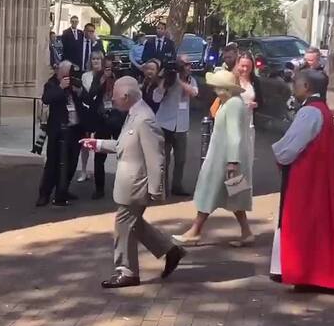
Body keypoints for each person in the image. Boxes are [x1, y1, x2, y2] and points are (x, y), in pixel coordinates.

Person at [80, 76, 185, 288]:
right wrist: (98, 144)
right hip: (129, 182)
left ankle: (127, 271)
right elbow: (123, 144)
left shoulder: (144, 118)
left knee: (123, 226)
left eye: (116, 96)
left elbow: (156, 157)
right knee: (134, 225)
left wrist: (156, 189)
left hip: (137, 184)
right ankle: (170, 249)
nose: (113, 100)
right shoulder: (134, 114)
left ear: (126, 96)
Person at [270, 70, 334, 293]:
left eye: (296, 83)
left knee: (299, 225)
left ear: (306, 86)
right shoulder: (323, 110)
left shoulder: (309, 113)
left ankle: (303, 271)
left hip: (304, 178)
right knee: (317, 225)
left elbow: (289, 147)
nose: (294, 87)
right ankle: (314, 272)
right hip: (318, 176)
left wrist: (277, 153)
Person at [172, 70, 254, 246]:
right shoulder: (229, 103)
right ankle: (245, 231)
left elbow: (235, 134)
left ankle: (195, 230)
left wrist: (233, 161)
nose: (215, 90)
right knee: (234, 195)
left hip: (226, 159)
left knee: (211, 193)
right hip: (224, 157)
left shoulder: (232, 104)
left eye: (217, 87)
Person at [36, 61, 86, 207]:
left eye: (68, 74)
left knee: (71, 163)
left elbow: (85, 97)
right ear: (59, 72)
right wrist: (60, 88)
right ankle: (44, 194)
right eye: (64, 74)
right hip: (58, 130)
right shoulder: (51, 84)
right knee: (52, 164)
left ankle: (62, 190)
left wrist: (79, 91)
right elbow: (47, 98)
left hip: (74, 130)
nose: (67, 77)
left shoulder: (74, 83)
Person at [152, 54, 199, 196]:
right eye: (184, 64)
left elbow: (194, 93)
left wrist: (179, 81)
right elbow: (156, 98)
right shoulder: (168, 79)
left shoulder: (191, 81)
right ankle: (163, 188)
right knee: (163, 160)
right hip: (165, 124)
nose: (188, 67)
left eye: (189, 64)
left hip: (182, 126)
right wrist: (163, 81)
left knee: (181, 159)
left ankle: (177, 186)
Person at [87, 56, 125, 199]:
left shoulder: (119, 77)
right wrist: (103, 79)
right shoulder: (98, 77)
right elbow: (91, 95)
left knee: (123, 153)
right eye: (107, 67)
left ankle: (122, 185)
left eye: (111, 67)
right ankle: (99, 188)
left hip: (117, 119)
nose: (109, 70)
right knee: (99, 155)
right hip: (102, 120)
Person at [77, 51, 105, 183]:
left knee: (99, 144)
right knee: (85, 143)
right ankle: (83, 170)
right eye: (93, 59)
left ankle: (97, 171)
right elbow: (88, 94)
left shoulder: (106, 75)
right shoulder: (85, 76)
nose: (96, 61)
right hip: (88, 112)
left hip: (101, 113)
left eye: (98, 59)